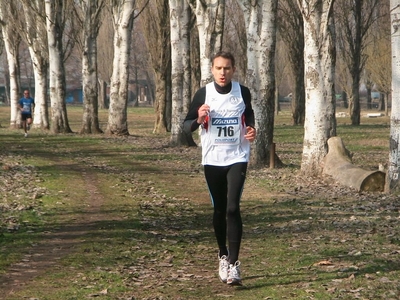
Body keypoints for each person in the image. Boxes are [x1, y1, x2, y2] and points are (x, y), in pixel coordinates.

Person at [183, 51, 256, 286]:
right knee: (220, 209)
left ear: (233, 69)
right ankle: (222, 254)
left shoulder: (242, 92)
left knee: (233, 208)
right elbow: (186, 127)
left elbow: (249, 115)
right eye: (218, 68)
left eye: (227, 68)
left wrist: (251, 129)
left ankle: (234, 265)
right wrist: (199, 118)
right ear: (212, 70)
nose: (222, 72)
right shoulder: (204, 93)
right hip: (213, 159)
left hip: (237, 156)